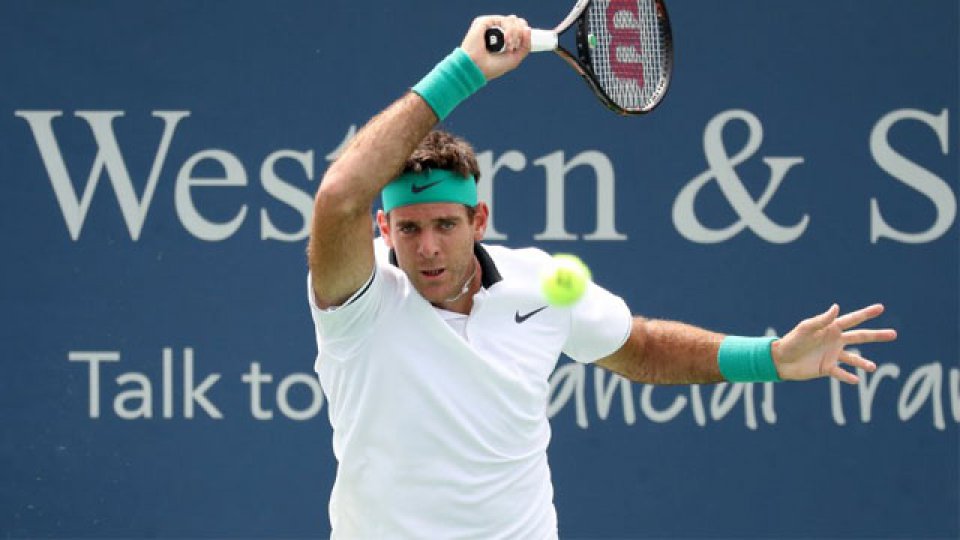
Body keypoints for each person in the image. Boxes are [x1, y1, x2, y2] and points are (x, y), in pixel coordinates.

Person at [306, 15, 896, 539]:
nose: (428, 247)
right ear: (381, 226)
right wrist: (465, 72)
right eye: (408, 229)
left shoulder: (539, 284)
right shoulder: (359, 305)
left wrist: (767, 358)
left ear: (478, 219)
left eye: (444, 224)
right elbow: (337, 198)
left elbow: (639, 346)